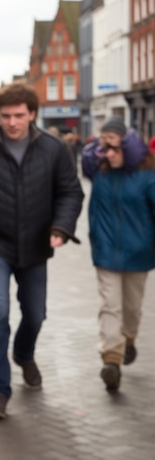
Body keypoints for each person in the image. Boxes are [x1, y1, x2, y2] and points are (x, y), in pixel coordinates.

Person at [0, 81, 84, 420]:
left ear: (32, 114)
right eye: (6, 116)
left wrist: (61, 228)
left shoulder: (53, 148)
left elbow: (71, 192)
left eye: (19, 115)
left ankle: (24, 354)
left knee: (35, 313)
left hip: (37, 245)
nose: (12, 122)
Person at [81, 118, 155, 392]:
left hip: (139, 253)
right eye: (105, 147)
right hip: (106, 252)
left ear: (128, 147)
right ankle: (111, 360)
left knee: (132, 308)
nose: (108, 154)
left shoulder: (148, 175)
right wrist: (100, 144)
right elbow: (86, 159)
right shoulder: (99, 172)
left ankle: (130, 338)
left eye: (114, 148)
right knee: (110, 306)